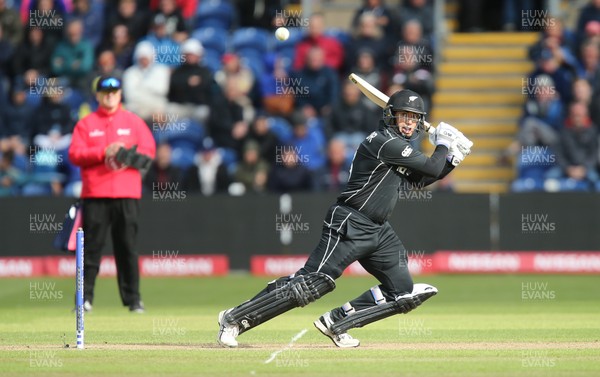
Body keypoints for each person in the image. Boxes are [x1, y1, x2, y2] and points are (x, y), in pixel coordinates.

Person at [217, 89, 468, 348]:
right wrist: (444, 144)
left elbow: (423, 179)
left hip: (378, 231)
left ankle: (336, 322)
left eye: (414, 118)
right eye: (404, 115)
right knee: (311, 284)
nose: (409, 122)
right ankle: (234, 318)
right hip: (350, 221)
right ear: (391, 116)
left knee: (402, 292)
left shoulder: (398, 148)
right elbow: (431, 166)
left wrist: (452, 159)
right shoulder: (384, 142)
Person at [68, 76, 156, 313]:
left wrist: (125, 154)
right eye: (105, 91)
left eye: (114, 91)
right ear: (97, 95)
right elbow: (75, 154)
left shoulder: (133, 122)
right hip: (96, 193)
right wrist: (102, 151)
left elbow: (149, 152)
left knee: (127, 248)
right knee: (92, 249)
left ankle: (133, 299)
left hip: (127, 193)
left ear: (120, 94)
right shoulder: (86, 123)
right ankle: (84, 299)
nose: (110, 95)